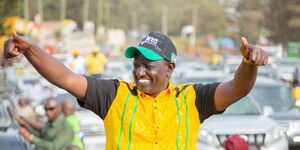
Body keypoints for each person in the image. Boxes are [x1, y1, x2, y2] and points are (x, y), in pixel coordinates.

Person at [4, 31, 268, 149]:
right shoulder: (113, 95)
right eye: (136, 65)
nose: (140, 72)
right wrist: (29, 50)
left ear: (169, 68)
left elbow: (238, 88)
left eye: (148, 66)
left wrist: (249, 63)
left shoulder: (192, 99)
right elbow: (65, 77)